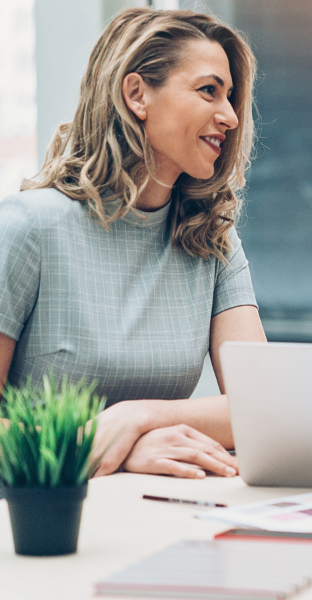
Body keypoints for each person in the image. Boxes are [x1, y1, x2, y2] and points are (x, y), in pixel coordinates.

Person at [0, 8, 266, 479]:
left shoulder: (213, 241)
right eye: (209, 90)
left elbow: (265, 407)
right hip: (39, 526)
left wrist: (137, 418)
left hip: (161, 508)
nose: (229, 115)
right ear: (137, 94)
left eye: (231, 96)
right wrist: (111, 452)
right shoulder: (27, 228)